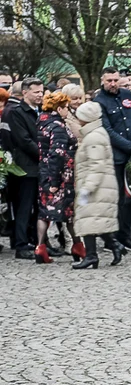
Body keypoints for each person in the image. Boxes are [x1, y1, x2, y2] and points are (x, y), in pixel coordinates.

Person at [91, 68, 131, 250]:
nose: (113, 84)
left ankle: (125, 233)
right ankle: (113, 237)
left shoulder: (128, 95)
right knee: (117, 198)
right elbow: (108, 131)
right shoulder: (99, 101)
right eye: (109, 81)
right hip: (114, 156)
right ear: (102, 81)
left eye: (115, 80)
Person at [70, 102, 125, 269]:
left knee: (89, 221)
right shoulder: (94, 134)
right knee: (96, 221)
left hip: (97, 187)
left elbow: (96, 165)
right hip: (99, 185)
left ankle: (92, 256)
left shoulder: (94, 137)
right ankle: (115, 245)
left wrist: (88, 187)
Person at [1, 77, 43, 258]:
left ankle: (37, 241)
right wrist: (44, 154)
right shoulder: (16, 112)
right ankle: (21, 244)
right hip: (24, 166)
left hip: (37, 165)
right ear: (25, 92)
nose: (40, 95)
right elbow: (24, 140)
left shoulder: (39, 110)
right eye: (36, 92)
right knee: (23, 207)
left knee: (37, 206)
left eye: (42, 92)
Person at [33, 92, 78, 263]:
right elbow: (57, 154)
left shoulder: (42, 122)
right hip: (59, 175)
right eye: (66, 107)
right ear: (59, 108)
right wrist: (55, 180)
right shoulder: (58, 126)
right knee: (68, 212)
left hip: (45, 171)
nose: (68, 110)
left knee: (44, 212)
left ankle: (40, 247)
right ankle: (77, 245)